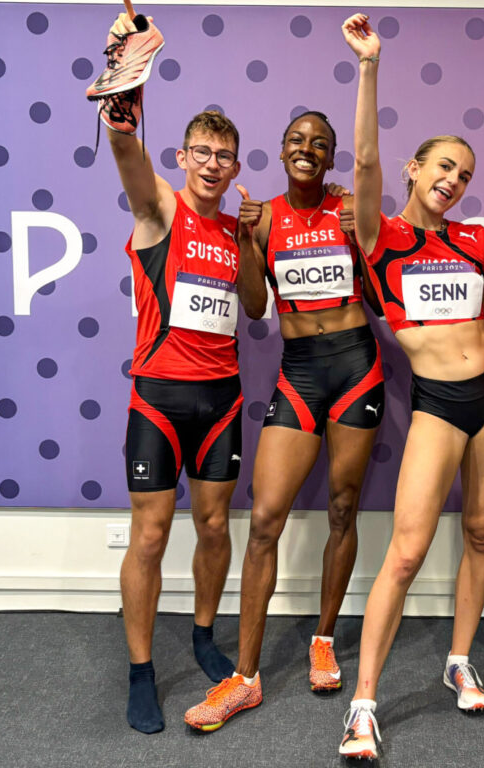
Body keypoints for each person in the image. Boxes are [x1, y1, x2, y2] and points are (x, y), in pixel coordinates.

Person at [334, 14, 484, 761]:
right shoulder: (380, 234)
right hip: (439, 403)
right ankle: (364, 705)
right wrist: (371, 68)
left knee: (480, 532)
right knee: (406, 554)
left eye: (466, 174)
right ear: (413, 169)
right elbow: (367, 158)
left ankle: (458, 659)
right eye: (443, 166)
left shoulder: (476, 237)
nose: (453, 181)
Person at [182, 111, 385, 731]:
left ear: (330, 158)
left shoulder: (350, 208)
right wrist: (246, 242)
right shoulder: (263, 217)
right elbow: (252, 305)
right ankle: (245, 678)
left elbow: (381, 292)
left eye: (319, 144)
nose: (307, 149)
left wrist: (362, 235)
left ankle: (323, 637)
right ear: (281, 151)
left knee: (344, 508)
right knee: (265, 518)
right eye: (297, 140)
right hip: (299, 373)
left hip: (357, 366)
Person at [88, 13, 255, 734]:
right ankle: (141, 672)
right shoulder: (159, 210)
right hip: (158, 399)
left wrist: (249, 241)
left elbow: (253, 306)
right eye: (203, 152)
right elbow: (125, 149)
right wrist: (126, 77)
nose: (213, 164)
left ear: (236, 166)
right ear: (184, 158)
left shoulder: (233, 227)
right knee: (151, 536)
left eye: (226, 155)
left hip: (220, 400)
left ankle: (202, 634)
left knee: (215, 527)